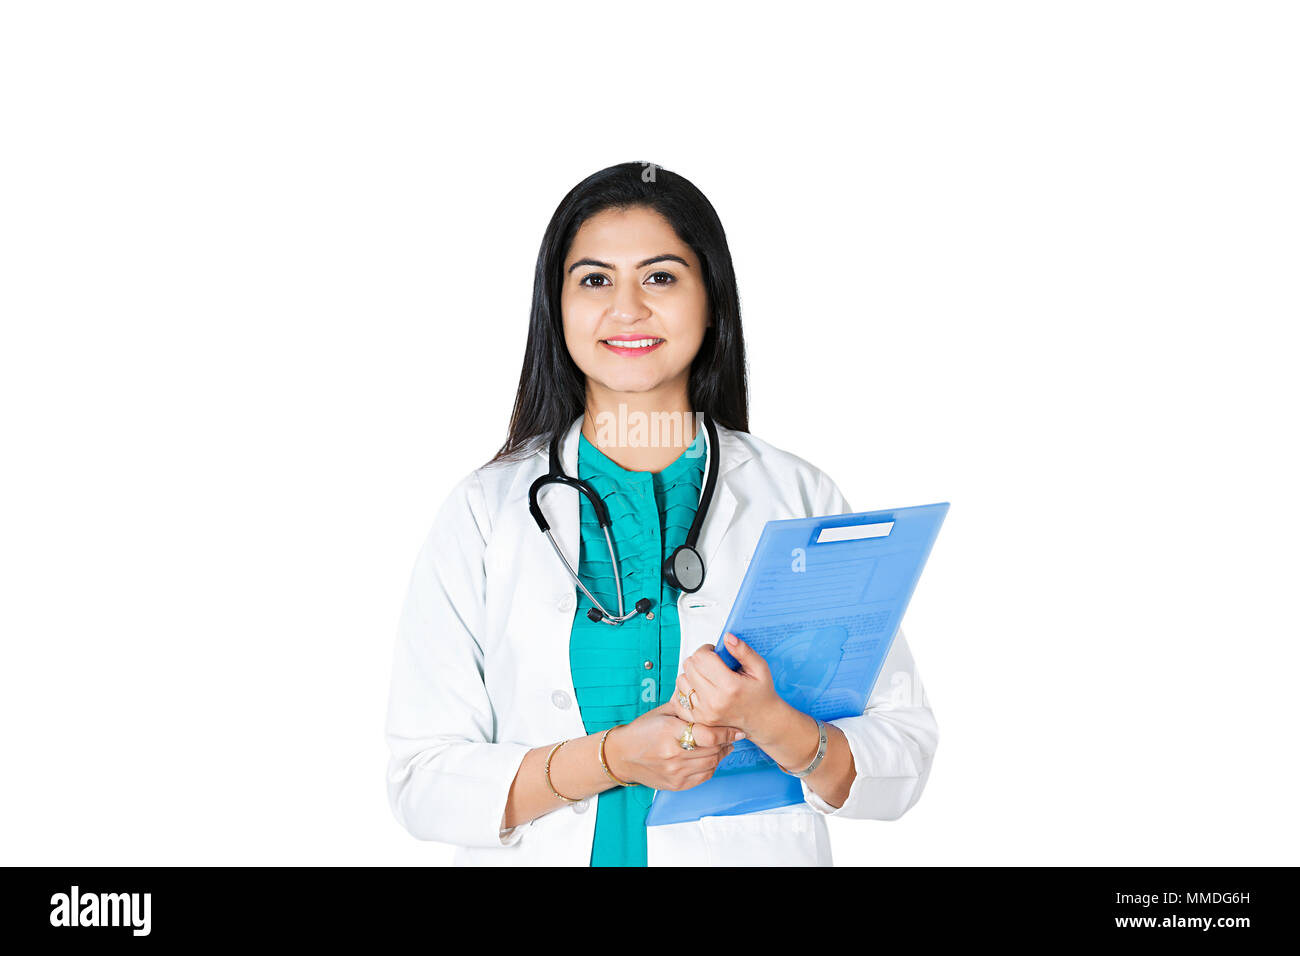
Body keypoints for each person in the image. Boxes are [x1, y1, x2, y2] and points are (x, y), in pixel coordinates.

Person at [384, 162, 939, 866]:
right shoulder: (483, 513)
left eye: (660, 277)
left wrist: (773, 723)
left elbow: (902, 753)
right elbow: (422, 781)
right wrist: (612, 758)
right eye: (594, 280)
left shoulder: (798, 497)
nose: (626, 309)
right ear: (556, 307)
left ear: (711, 300)